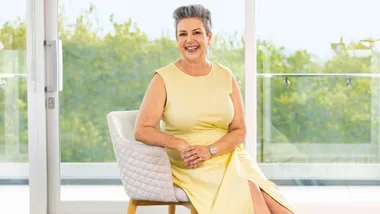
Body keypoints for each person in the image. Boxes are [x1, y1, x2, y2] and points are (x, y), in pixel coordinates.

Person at [134, 4, 296, 214]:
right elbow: (142, 129)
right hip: (191, 161)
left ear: (209, 37)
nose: (189, 40)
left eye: (197, 33)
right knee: (250, 193)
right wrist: (181, 145)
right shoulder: (163, 79)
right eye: (182, 34)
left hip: (226, 153)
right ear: (177, 40)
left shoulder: (225, 75)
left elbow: (239, 129)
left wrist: (210, 150)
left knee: (276, 202)